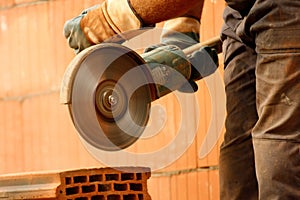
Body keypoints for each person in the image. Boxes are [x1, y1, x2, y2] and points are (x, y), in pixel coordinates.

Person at [63, 0, 300, 199]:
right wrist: (181, 33)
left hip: (287, 8)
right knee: (239, 157)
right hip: (240, 11)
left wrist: (109, 20)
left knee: (279, 151)